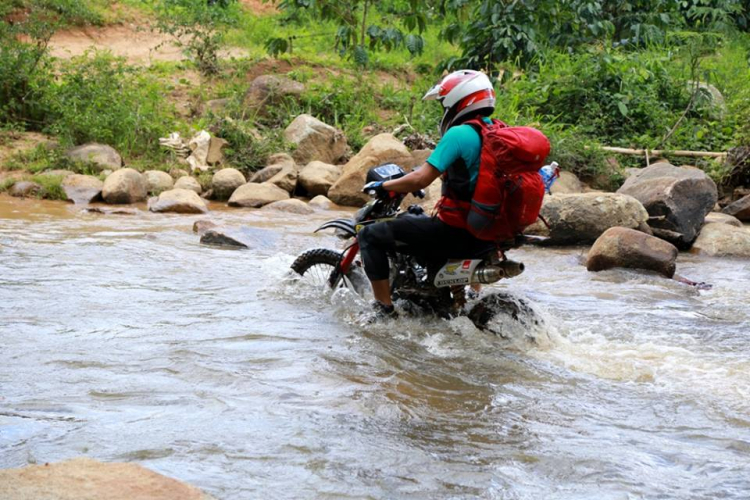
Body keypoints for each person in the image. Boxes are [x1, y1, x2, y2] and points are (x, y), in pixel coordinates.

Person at [358, 69, 499, 318]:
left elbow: (421, 179)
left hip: (456, 231)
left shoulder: (460, 134)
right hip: (486, 231)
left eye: (445, 103)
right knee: (417, 219)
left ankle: (383, 311)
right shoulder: (496, 132)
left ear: (459, 100)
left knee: (370, 235)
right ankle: (449, 294)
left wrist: (383, 186)